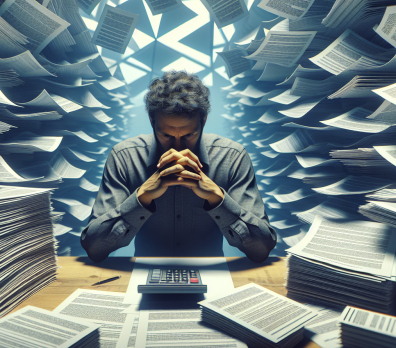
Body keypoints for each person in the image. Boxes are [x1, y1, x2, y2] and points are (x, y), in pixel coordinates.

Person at [81, 70, 276, 262]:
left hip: (213, 278)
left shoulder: (233, 157)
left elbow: (261, 250)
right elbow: (95, 249)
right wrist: (143, 196)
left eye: (188, 135)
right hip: (143, 275)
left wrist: (217, 197)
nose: (177, 148)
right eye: (166, 135)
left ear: (204, 121)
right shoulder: (124, 157)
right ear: (151, 121)